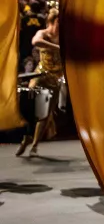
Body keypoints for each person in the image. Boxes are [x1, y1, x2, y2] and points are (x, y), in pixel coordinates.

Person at [16, 8, 61, 157]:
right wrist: (59, 48)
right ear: (51, 21)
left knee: (45, 114)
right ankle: (27, 137)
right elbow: (35, 42)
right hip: (40, 75)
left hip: (55, 79)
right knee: (32, 106)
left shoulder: (65, 37)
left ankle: (34, 144)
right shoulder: (44, 33)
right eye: (58, 22)